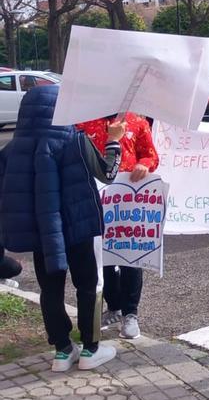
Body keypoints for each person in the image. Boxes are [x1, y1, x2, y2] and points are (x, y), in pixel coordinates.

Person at [0, 85, 123, 371]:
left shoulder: (12, 149)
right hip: (77, 228)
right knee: (88, 286)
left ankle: (62, 350)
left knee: (50, 290)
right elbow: (108, 172)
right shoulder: (75, 141)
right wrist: (113, 141)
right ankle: (91, 349)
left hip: (42, 235)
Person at [76, 112, 159, 341]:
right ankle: (114, 307)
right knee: (103, 257)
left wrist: (144, 164)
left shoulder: (137, 122)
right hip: (95, 201)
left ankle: (131, 313)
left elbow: (151, 155)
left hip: (129, 201)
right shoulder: (83, 122)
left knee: (131, 256)